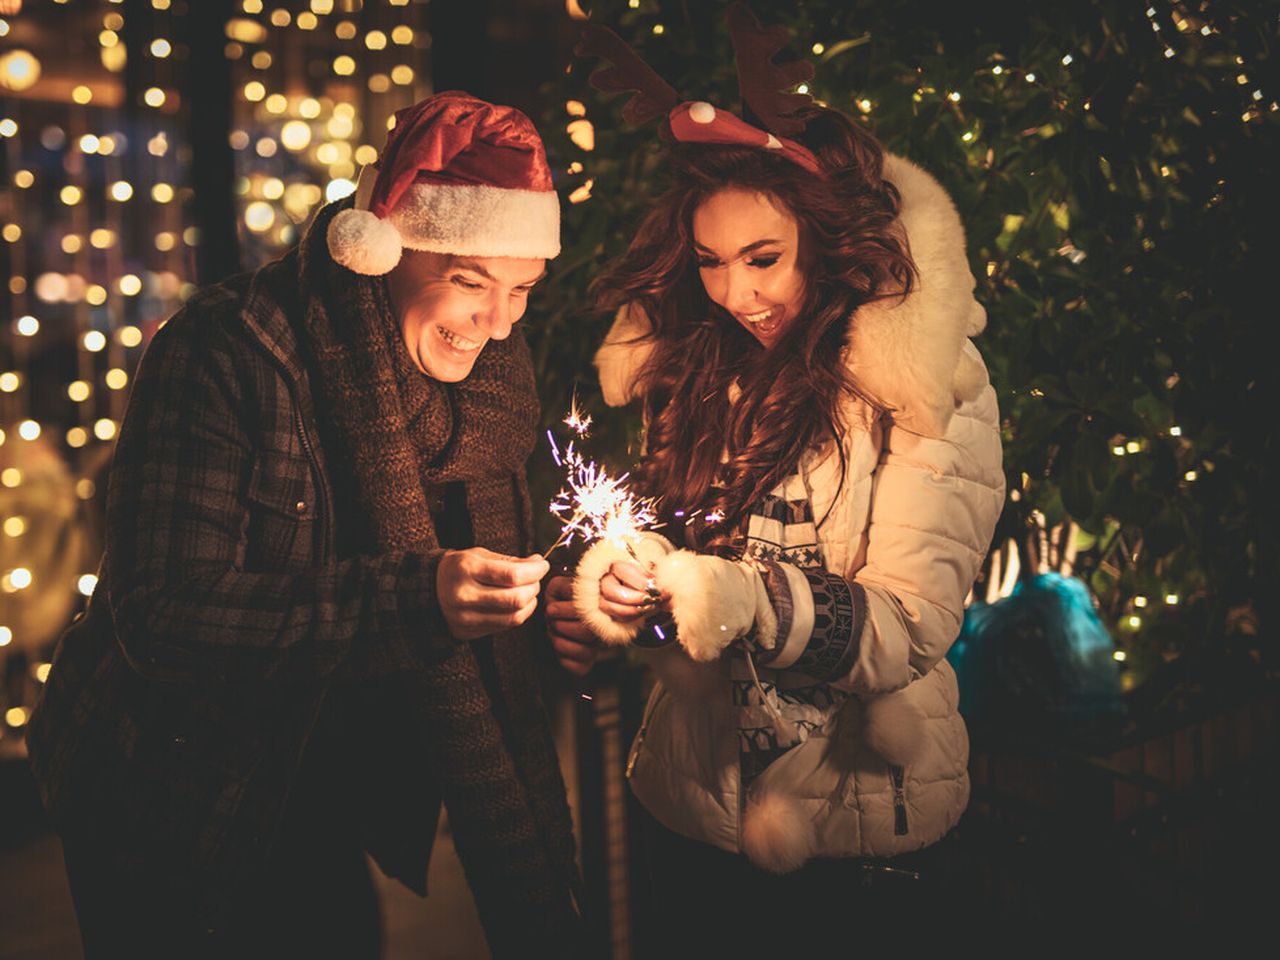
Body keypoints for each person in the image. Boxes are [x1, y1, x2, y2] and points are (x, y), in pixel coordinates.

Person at [28, 92, 582, 958]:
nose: (499, 322)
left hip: (328, 772)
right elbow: (162, 614)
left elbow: (501, 582)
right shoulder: (227, 350)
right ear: (382, 251)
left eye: (520, 288)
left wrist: (561, 622)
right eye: (470, 282)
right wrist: (415, 599)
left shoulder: (490, 388)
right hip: (178, 785)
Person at [547, 12, 1005, 953]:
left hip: (864, 832)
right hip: (691, 810)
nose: (736, 294)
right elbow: (681, 556)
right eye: (711, 263)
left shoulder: (923, 389)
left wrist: (744, 599)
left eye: (764, 259)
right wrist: (630, 587)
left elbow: (910, 623)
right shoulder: (701, 371)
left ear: (829, 240)